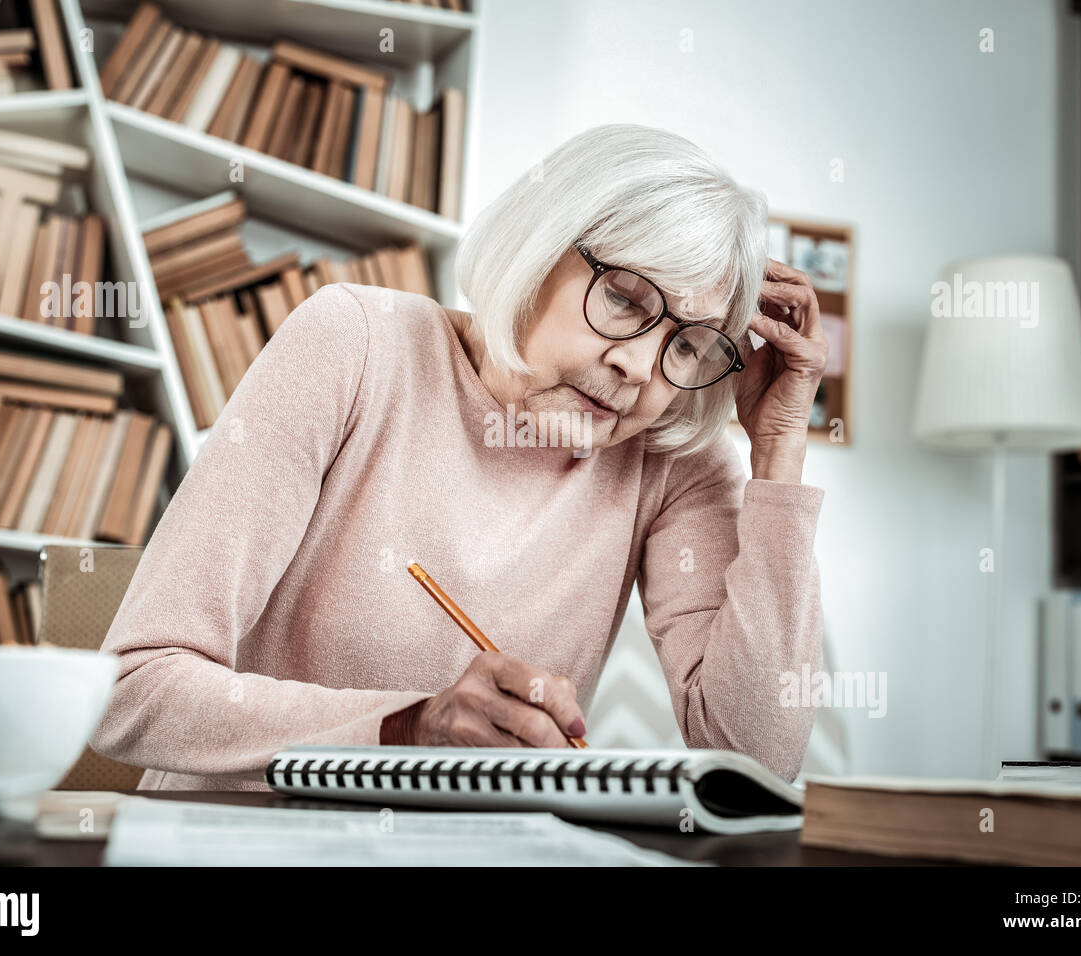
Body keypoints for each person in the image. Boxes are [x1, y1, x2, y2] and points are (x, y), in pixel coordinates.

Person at [91, 123, 829, 790]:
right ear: (541, 250)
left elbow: (758, 758)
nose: (641, 366)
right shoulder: (356, 344)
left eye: (689, 345)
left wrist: (779, 453)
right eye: (628, 301)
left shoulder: (668, 455)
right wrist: (409, 730)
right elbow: (135, 690)